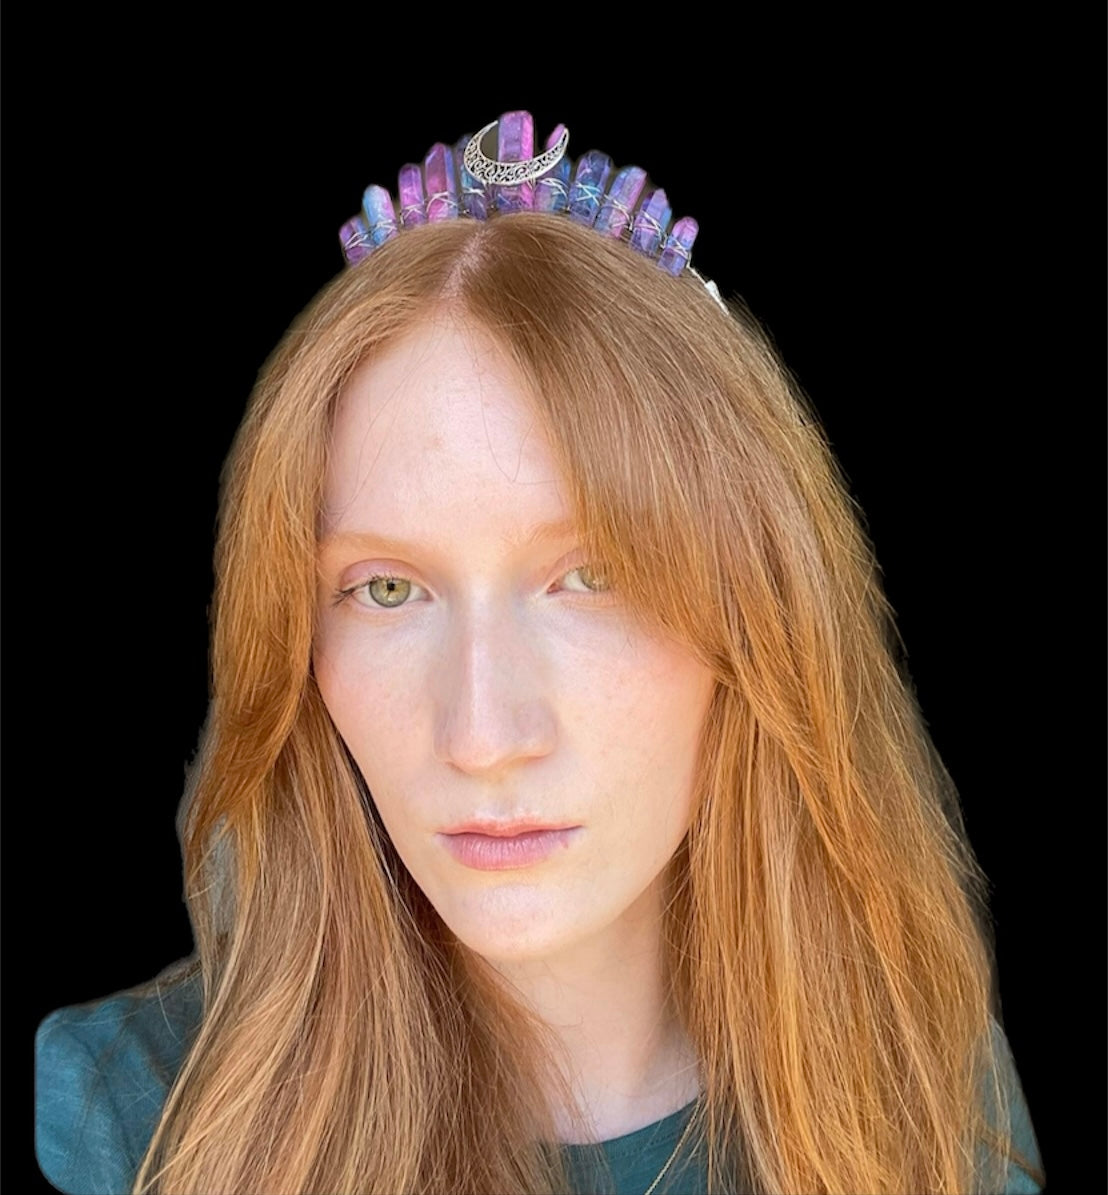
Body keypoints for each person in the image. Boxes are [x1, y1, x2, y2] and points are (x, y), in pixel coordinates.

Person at [35, 111, 1046, 1195]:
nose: (483, 736)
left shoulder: (921, 1082)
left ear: (758, 619)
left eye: (593, 576)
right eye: (387, 589)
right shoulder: (111, 1120)